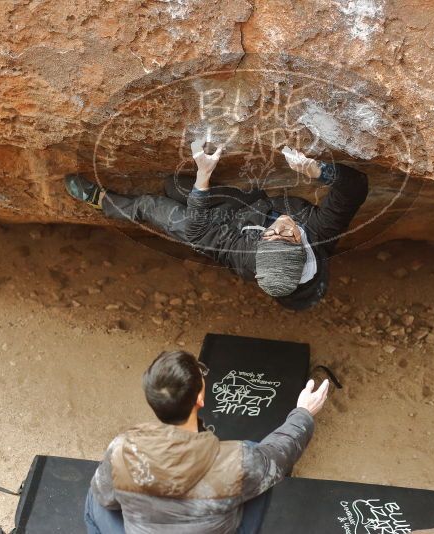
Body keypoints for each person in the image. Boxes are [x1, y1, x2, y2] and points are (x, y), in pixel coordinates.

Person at [64, 140, 368, 310]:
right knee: (173, 186)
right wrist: (318, 171)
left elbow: (198, 230)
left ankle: (102, 201)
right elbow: (354, 187)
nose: (284, 224)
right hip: (247, 210)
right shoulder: (321, 231)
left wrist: (203, 176)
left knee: (150, 204)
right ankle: (188, 191)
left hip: (216, 235)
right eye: (280, 233)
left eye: (281, 233)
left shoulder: (248, 257)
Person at [85, 350, 329, 534]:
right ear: (200, 398)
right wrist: (303, 413)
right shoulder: (238, 461)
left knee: (97, 495)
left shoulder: (121, 450)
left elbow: (106, 497)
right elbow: (280, 453)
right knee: (261, 462)